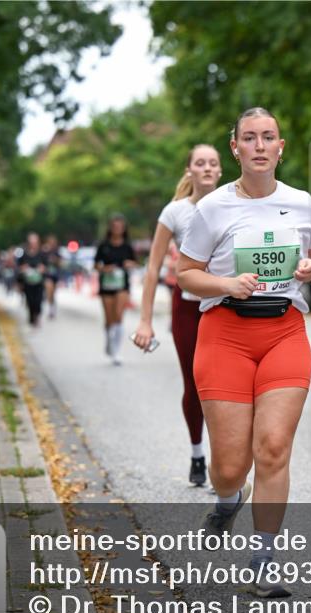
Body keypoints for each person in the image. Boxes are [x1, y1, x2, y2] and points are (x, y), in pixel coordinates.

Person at [174, 108, 311, 596]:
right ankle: (228, 501)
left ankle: (262, 562)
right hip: (224, 333)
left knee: (273, 447)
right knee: (229, 468)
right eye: (250, 138)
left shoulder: (302, 204)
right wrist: (227, 283)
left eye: (269, 137)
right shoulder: (213, 208)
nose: (260, 145)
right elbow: (186, 274)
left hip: (284, 331)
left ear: (281, 148)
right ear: (236, 148)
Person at [133, 144, 223, 486]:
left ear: (220, 170)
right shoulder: (174, 212)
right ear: (190, 170)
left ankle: (222, 465)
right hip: (187, 308)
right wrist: (145, 321)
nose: (207, 168)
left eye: (213, 163)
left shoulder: (232, 204)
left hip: (223, 307)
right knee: (195, 385)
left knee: (221, 387)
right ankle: (198, 453)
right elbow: (152, 268)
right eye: (200, 163)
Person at [95, 214, 138, 365]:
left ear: (124, 229)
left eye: (120, 227)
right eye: (115, 226)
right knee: (109, 318)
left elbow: (135, 263)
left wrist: (129, 264)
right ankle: (108, 340)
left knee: (119, 316)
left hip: (122, 285)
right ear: (110, 228)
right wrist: (105, 268)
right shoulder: (103, 245)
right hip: (106, 285)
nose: (117, 229)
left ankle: (116, 351)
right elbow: (96, 265)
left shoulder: (127, 246)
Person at [17, 233, 47, 327]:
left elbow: (46, 266)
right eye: (31, 242)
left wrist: (42, 269)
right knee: (30, 300)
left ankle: (37, 316)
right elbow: (19, 267)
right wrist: (24, 269)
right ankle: (31, 316)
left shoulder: (42, 254)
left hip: (39, 281)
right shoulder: (23, 254)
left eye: (35, 242)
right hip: (28, 281)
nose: (33, 244)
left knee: (38, 300)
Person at [42, 234, 61, 319]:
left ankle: (52, 305)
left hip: (55, 275)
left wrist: (55, 260)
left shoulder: (57, 252)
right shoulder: (44, 251)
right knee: (49, 289)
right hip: (47, 275)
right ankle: (50, 307)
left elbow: (60, 263)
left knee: (53, 293)